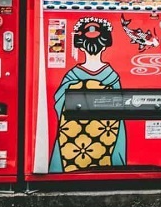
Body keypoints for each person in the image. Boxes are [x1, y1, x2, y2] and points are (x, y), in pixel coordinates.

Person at [49, 17, 126, 173]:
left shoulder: (71, 75)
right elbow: (121, 111)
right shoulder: (112, 76)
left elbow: (58, 102)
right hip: (106, 143)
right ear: (105, 45)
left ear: (80, 46)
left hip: (71, 147)